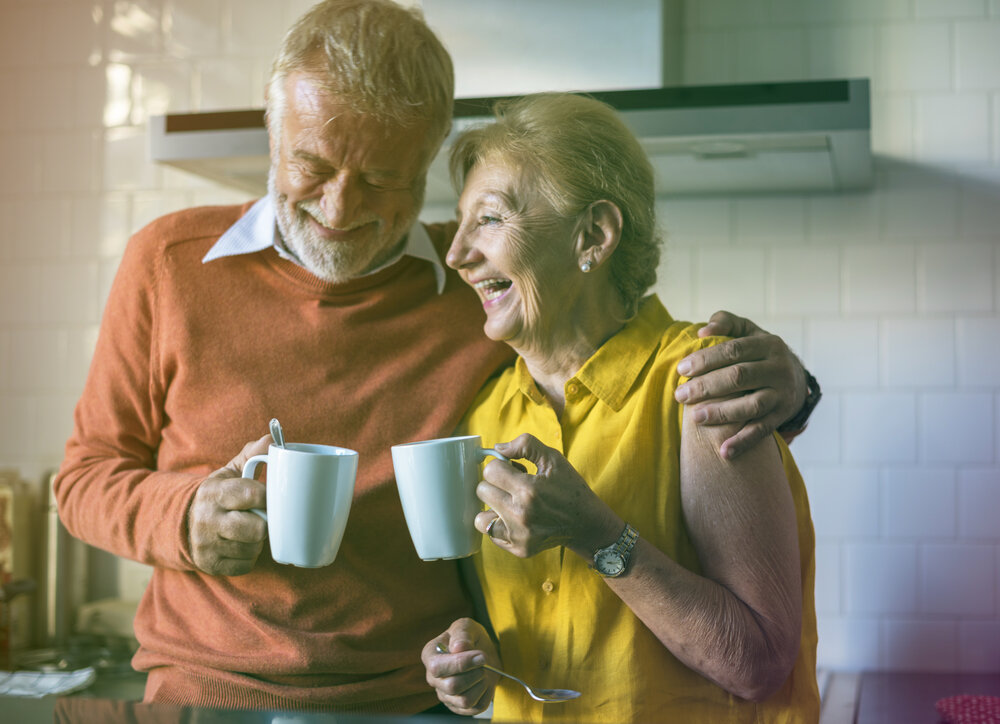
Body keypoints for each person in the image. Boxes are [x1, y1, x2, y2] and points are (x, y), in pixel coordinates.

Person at [53, 0, 817, 715]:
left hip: (409, 702)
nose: (341, 207)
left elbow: (624, 358)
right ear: (273, 131)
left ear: (426, 164)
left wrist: (795, 388)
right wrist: (184, 516)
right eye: (313, 166)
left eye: (383, 178)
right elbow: (84, 478)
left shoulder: (481, 301)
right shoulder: (168, 261)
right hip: (205, 692)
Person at [421, 92, 820, 723]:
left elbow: (759, 662)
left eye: (491, 220)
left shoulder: (700, 384)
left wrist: (596, 535)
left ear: (593, 236)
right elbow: (506, 630)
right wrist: (468, 660)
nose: (458, 253)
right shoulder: (483, 416)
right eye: (461, 221)